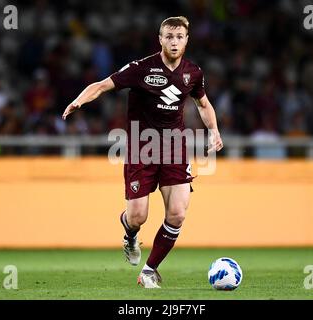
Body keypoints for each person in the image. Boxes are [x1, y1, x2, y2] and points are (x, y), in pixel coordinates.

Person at [62, 16, 223, 288]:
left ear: (187, 40)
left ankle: (149, 270)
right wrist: (79, 100)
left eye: (179, 36)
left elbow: (203, 104)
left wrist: (214, 130)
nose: (174, 41)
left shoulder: (193, 73)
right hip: (142, 147)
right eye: (168, 36)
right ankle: (130, 234)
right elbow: (102, 85)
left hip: (174, 146)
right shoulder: (141, 69)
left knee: (178, 213)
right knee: (138, 216)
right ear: (160, 39)